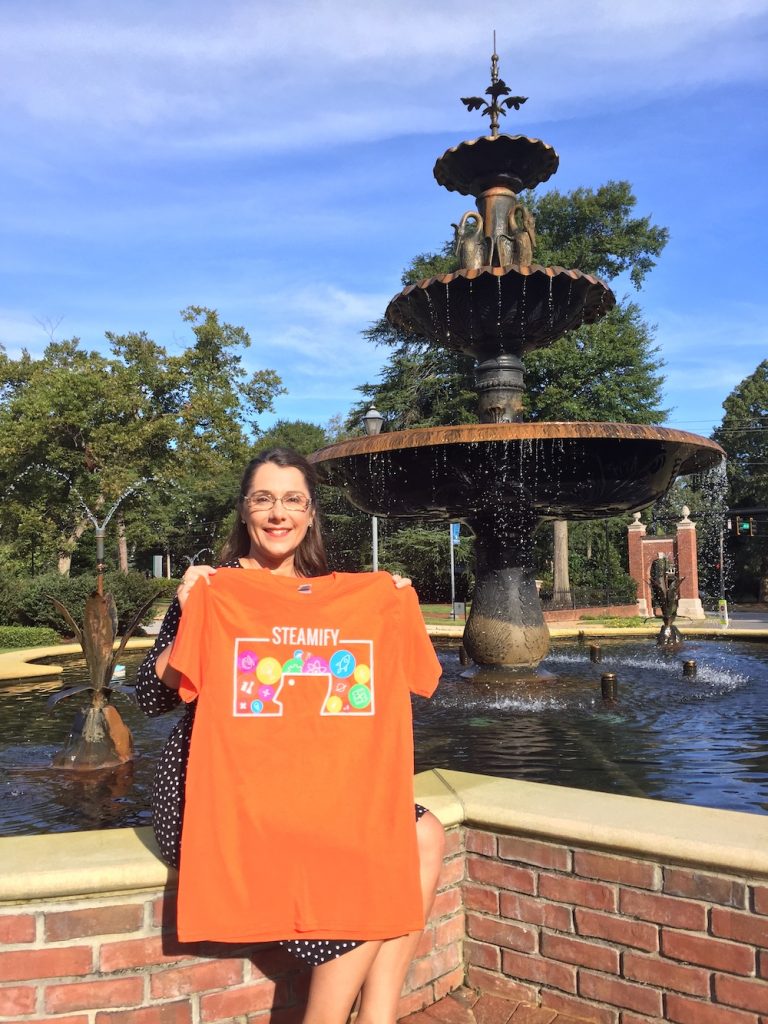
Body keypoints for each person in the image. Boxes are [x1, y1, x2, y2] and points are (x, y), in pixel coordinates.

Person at [136, 447, 445, 1024]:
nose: (278, 514)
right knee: (357, 867)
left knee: (424, 834)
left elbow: (403, 689)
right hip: (224, 791)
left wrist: (396, 605)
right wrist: (184, 607)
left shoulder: (355, 595)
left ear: (310, 514)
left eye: (292, 500)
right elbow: (151, 699)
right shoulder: (214, 588)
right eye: (263, 499)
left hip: (312, 785)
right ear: (244, 512)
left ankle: (377, 1015)